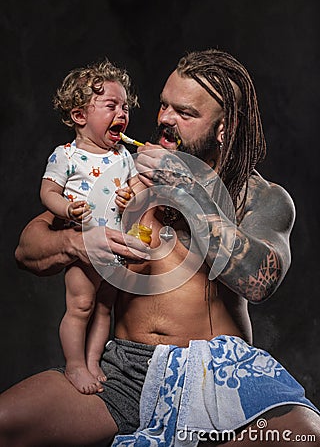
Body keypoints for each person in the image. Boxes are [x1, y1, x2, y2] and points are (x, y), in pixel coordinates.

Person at [0, 49, 319, 446]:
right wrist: (78, 242)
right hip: (123, 374)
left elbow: (259, 280)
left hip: (214, 374)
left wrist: (187, 190)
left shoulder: (258, 197)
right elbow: (27, 250)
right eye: (165, 105)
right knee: (6, 421)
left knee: (306, 437)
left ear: (225, 127)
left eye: (185, 113)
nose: (165, 118)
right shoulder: (125, 169)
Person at [39, 59, 145, 395]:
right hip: (82, 248)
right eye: (111, 105)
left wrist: (133, 197)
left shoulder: (124, 155)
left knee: (104, 307)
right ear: (80, 116)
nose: (122, 113)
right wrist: (67, 207)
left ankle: (94, 361)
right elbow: (47, 192)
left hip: (114, 251)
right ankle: (74, 365)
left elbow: (137, 189)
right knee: (80, 306)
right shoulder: (66, 156)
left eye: (125, 106)